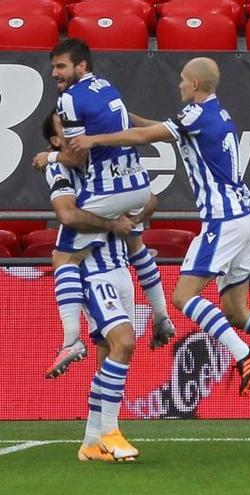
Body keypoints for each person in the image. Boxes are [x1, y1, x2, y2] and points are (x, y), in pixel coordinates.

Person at [71, 57, 250, 404]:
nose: (179, 84)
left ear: (194, 84)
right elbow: (161, 130)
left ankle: (243, 355)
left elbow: (145, 137)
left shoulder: (195, 115)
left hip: (222, 222)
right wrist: (123, 118)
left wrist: (96, 139)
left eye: (182, 79)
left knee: (184, 297)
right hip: (245, 220)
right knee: (237, 312)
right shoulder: (216, 113)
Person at [32, 38, 174, 380]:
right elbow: (128, 122)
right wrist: (167, 131)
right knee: (118, 349)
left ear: (81, 66)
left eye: (61, 66)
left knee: (63, 259)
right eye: (53, 67)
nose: (55, 74)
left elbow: (75, 170)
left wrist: (50, 156)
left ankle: (70, 339)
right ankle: (161, 315)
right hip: (135, 191)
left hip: (108, 229)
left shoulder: (68, 103)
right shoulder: (107, 86)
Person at [42, 111, 150, 461]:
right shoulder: (60, 168)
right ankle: (110, 430)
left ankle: (91, 442)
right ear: (57, 141)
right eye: (67, 132)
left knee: (110, 358)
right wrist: (111, 223)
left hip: (119, 267)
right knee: (125, 343)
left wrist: (131, 216)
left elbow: (152, 199)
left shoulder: (101, 159)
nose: (77, 135)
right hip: (91, 271)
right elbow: (69, 216)